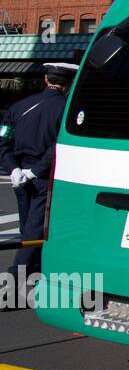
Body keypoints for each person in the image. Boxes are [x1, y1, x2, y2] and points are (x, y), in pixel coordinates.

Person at [1, 62, 78, 283]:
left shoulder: (19, 106)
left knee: (28, 225)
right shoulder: (66, 109)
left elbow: (3, 141)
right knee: (33, 229)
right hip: (44, 176)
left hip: (19, 175)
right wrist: (34, 172)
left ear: (46, 79)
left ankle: (35, 272)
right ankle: (13, 281)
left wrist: (13, 169)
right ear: (69, 84)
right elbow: (58, 146)